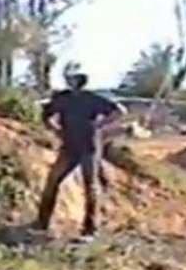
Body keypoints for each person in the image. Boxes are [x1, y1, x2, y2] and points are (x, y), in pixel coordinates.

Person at [34, 62, 126, 240]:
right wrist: (55, 129)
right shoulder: (62, 98)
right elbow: (46, 114)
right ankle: (42, 223)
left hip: (89, 147)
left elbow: (120, 111)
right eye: (71, 78)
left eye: (75, 78)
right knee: (53, 181)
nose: (72, 81)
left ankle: (90, 230)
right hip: (69, 146)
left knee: (90, 185)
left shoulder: (92, 98)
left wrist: (100, 126)